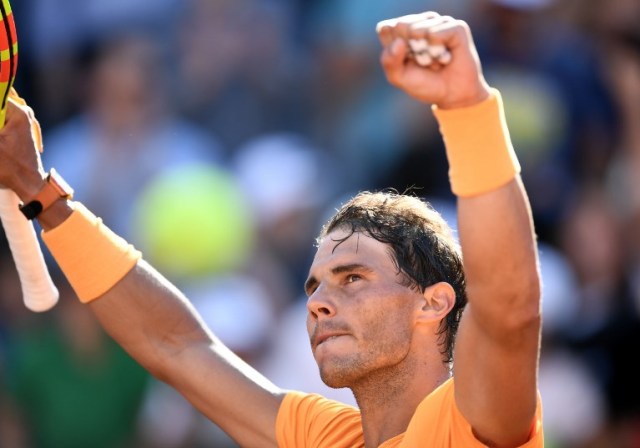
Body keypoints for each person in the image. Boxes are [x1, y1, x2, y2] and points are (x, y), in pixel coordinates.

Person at [0, 11, 544, 448]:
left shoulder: (472, 423)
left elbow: (510, 309)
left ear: (434, 303)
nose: (318, 303)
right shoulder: (323, 435)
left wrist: (468, 110)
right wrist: (41, 193)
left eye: (352, 278)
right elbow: (175, 345)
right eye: (314, 285)